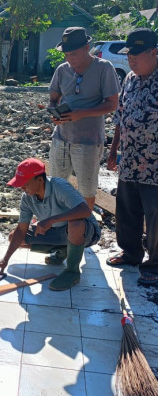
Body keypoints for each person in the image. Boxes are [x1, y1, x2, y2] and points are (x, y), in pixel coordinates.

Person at [0, 158, 101, 291]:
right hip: (57, 231)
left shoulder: (59, 186)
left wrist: (51, 220)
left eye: (25, 184)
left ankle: (72, 272)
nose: (22, 188)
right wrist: (5, 259)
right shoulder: (27, 197)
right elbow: (21, 230)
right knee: (14, 238)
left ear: (40, 180)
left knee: (75, 224)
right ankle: (64, 250)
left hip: (87, 232)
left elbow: (85, 210)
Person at [106, 28, 158, 286]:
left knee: (155, 214)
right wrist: (114, 150)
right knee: (127, 210)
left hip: (155, 165)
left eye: (137, 54)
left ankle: (155, 264)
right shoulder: (130, 80)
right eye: (129, 55)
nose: (132, 59)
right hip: (129, 160)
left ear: (154, 52)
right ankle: (131, 252)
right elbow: (120, 116)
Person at [48, 26, 121, 211]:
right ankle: (58, 227)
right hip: (61, 138)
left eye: (73, 53)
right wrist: (54, 114)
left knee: (86, 191)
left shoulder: (104, 68)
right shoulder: (62, 70)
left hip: (89, 140)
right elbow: (52, 100)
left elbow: (112, 104)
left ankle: (83, 232)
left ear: (87, 48)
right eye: (66, 54)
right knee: (56, 185)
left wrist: (81, 113)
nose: (69, 58)